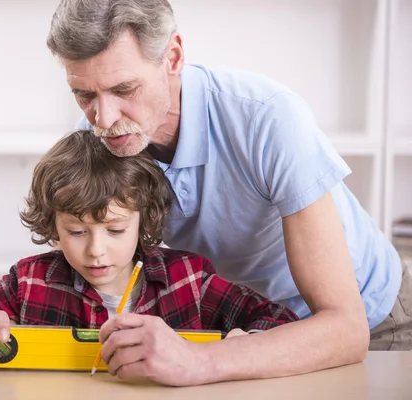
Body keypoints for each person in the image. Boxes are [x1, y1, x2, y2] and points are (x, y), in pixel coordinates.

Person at [45, 0, 412, 385]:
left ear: (172, 57)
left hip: (373, 322)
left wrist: (199, 360)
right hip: (245, 329)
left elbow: (346, 330)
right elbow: (73, 277)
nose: (103, 119)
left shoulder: (268, 119)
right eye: (84, 95)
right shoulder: (99, 139)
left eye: (124, 89)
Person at [0, 130, 298, 381]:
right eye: (75, 232)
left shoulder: (188, 280)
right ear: (52, 225)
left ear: (144, 219)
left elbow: (280, 322)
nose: (95, 250)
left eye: (115, 230)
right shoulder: (29, 282)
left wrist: (231, 349)